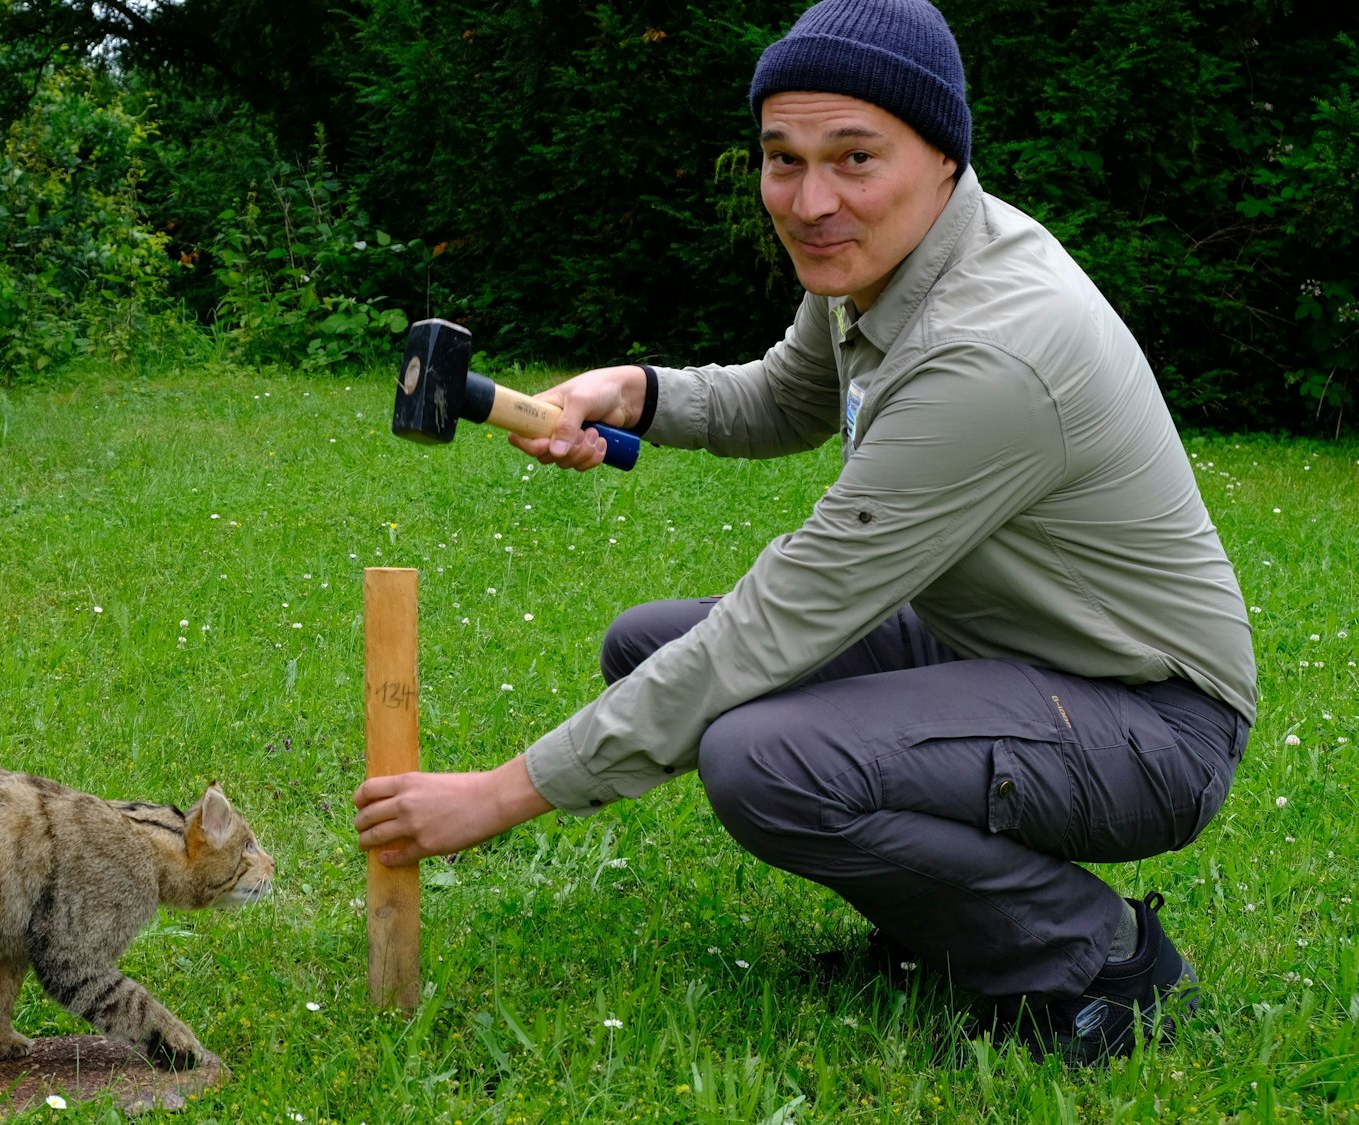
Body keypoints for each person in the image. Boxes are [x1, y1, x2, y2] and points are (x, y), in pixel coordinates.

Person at [352, 0, 1255, 1063]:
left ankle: (1096, 961)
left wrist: (498, 795)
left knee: (761, 754)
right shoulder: (881, 264)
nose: (810, 200)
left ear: (943, 159)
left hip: (1146, 720)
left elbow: (775, 624)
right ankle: (952, 928)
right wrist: (633, 393)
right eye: (782, 160)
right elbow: (787, 396)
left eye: (853, 158)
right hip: (1004, 654)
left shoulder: (991, 349)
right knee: (648, 647)